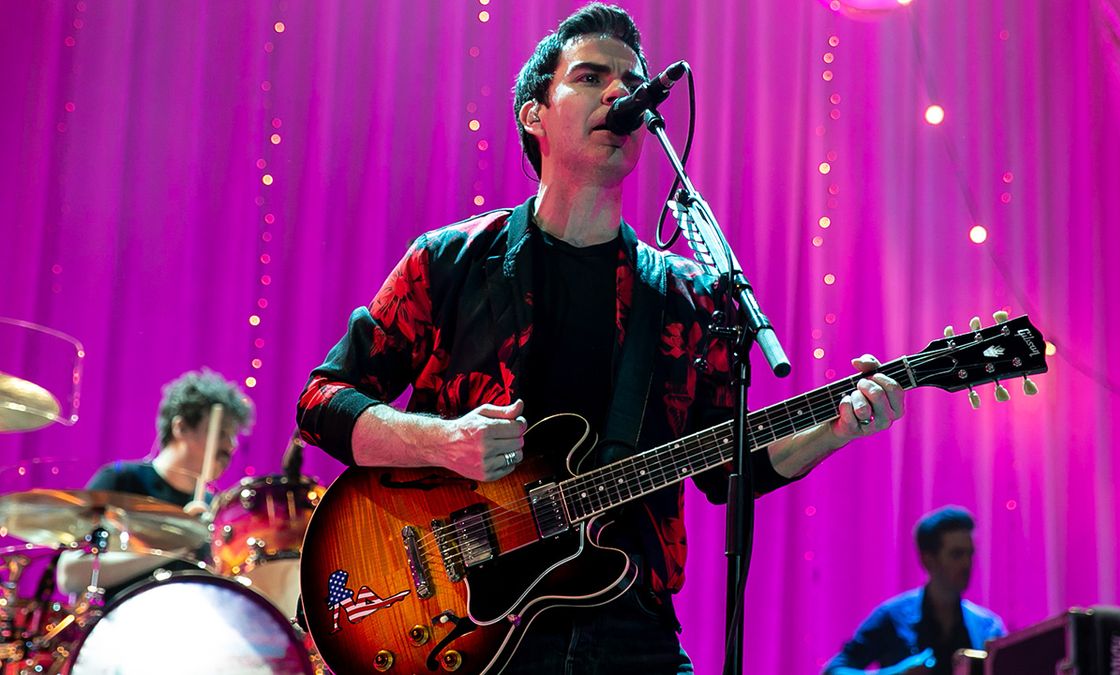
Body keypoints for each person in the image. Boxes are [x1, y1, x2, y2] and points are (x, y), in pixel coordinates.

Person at [296, 4, 904, 672]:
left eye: (630, 82)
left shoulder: (688, 295)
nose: (619, 93)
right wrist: (444, 441)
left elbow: (731, 464)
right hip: (464, 623)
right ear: (535, 115)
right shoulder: (451, 261)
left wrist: (837, 427)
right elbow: (323, 401)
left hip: (629, 626)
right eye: (590, 77)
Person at [57, 369, 253, 596]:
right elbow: (69, 575)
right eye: (220, 433)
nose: (231, 445)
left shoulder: (214, 509)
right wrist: (175, 546)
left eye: (232, 436)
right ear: (180, 427)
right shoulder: (122, 480)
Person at [823, 507, 1006, 675]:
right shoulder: (892, 616)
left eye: (970, 554)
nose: (967, 564)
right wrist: (895, 674)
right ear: (928, 560)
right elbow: (834, 670)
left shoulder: (988, 626)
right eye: (956, 554)